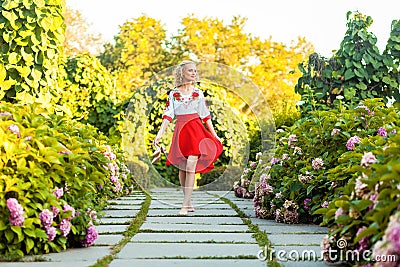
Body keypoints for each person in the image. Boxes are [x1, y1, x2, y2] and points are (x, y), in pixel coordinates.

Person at [153, 60, 223, 216]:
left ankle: (184, 205)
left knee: (191, 166)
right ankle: (188, 200)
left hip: (196, 130)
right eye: (190, 70)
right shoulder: (173, 93)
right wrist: (159, 134)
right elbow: (168, 115)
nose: (194, 73)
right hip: (180, 131)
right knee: (183, 167)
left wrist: (214, 135)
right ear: (182, 73)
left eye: (195, 71)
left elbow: (205, 115)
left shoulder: (198, 93)